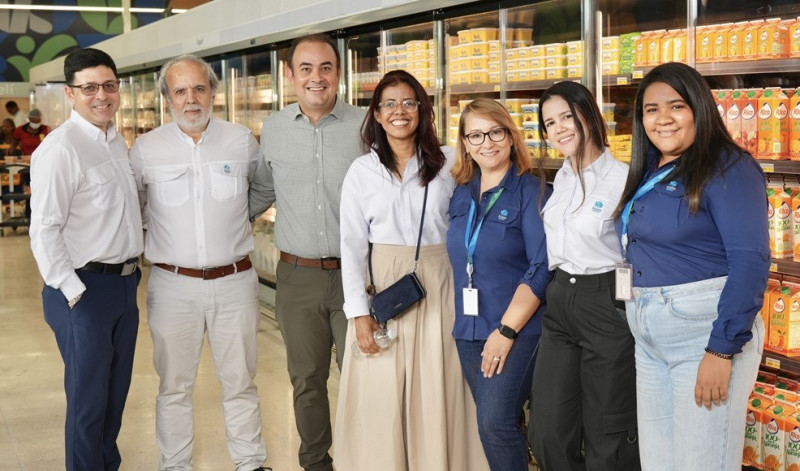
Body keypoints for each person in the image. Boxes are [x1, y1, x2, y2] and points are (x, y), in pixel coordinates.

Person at [612, 61, 769, 470]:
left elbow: (750, 262)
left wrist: (721, 349)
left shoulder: (728, 167)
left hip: (703, 335)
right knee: (659, 463)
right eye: (650, 109)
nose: (662, 118)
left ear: (700, 108)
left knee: (702, 462)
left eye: (676, 106)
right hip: (648, 338)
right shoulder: (652, 167)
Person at [333, 70, 488, 471]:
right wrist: (359, 313)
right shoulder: (361, 172)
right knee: (381, 389)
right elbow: (350, 246)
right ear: (377, 115)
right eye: (389, 104)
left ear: (422, 109)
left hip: (440, 281)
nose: (399, 111)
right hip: (383, 287)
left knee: (440, 383)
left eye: (408, 102)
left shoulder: (452, 161)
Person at [129, 54, 270, 471]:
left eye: (199, 88)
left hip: (235, 281)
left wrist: (229, 222)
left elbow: (261, 190)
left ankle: (250, 462)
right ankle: (175, 465)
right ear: (166, 98)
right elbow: (134, 208)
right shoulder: (146, 149)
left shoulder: (241, 140)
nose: (191, 99)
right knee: (174, 385)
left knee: (241, 381)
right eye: (180, 91)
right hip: (172, 286)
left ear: (213, 92)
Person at [248, 33, 365, 471]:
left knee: (364, 377)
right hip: (297, 277)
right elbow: (261, 189)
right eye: (306, 69)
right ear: (290, 75)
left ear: (338, 72)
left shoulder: (366, 124)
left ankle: (367, 457)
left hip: (359, 275)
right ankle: (316, 463)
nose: (316, 78)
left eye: (325, 68)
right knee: (307, 380)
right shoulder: (276, 128)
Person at [28, 47, 143, 471]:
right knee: (88, 403)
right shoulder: (62, 148)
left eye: (109, 86)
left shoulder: (115, 141)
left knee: (114, 397)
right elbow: (45, 229)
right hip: (84, 290)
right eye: (89, 87)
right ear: (70, 94)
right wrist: (74, 292)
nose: (102, 95)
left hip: (124, 285)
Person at [530, 81, 639, 470]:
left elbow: (635, 252)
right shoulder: (560, 178)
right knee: (545, 431)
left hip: (606, 301)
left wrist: (623, 307)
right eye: (550, 123)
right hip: (560, 302)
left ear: (588, 115)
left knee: (607, 432)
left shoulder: (625, 178)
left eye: (567, 117)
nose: (559, 128)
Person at [446, 97, 551, 471]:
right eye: (476, 135)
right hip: (469, 330)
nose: (486, 142)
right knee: (503, 422)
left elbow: (542, 266)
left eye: (495, 132)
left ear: (510, 136)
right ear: (464, 143)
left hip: (516, 330)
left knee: (495, 423)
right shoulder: (461, 191)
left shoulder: (531, 190)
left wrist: (506, 330)